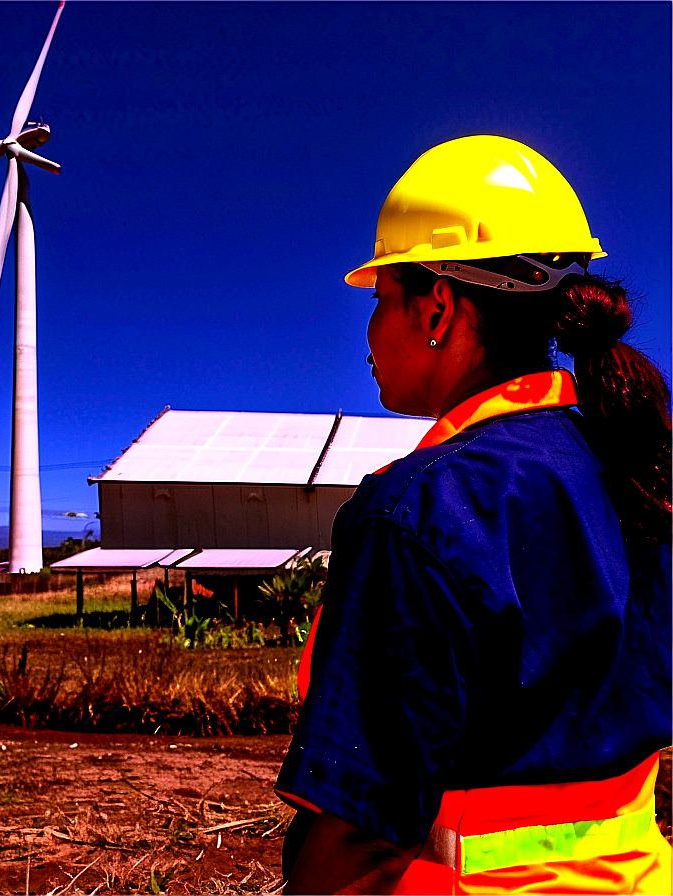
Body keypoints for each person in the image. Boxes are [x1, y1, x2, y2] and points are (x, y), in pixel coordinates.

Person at [275, 135, 672, 895]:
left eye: (379, 300)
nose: (369, 331)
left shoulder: (419, 509)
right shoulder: (638, 464)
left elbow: (360, 845)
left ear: (438, 308)